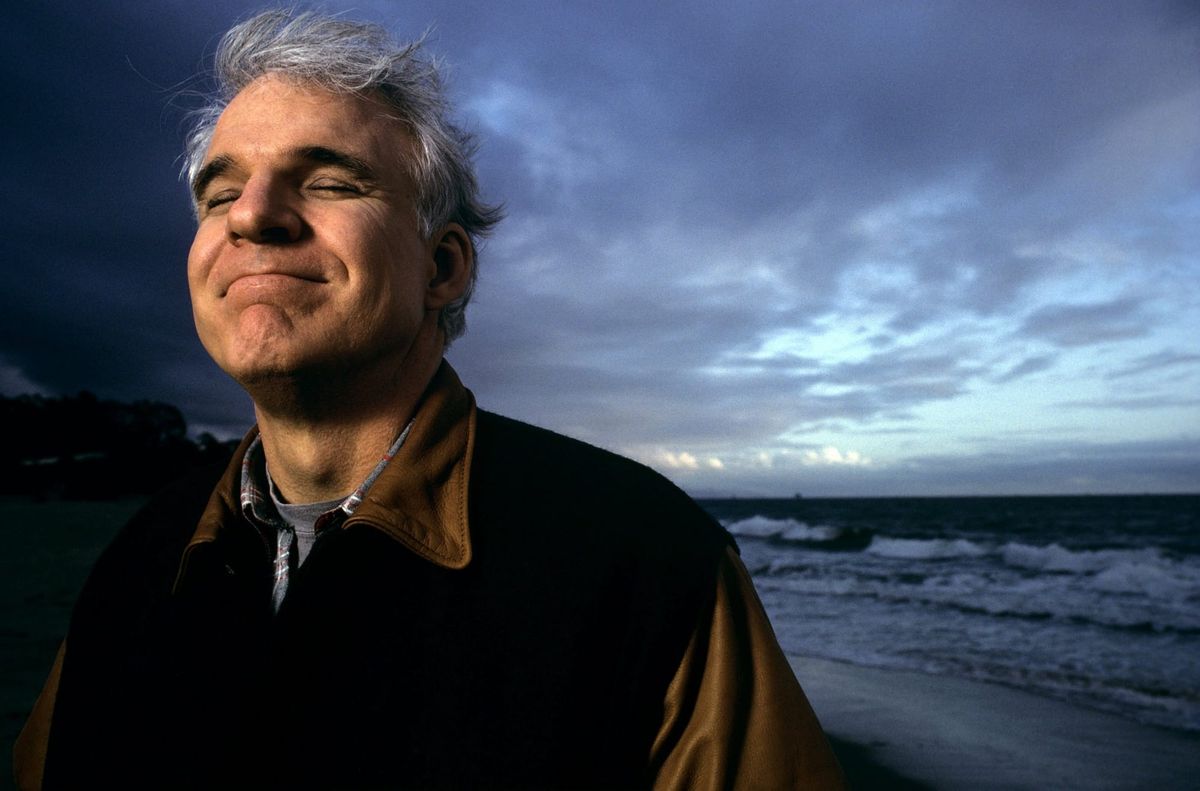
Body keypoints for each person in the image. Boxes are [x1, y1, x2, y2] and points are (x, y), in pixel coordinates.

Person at [14, 10, 844, 790]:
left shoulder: (644, 563)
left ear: (443, 267)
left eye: (329, 182)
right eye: (221, 193)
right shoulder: (138, 563)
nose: (254, 216)